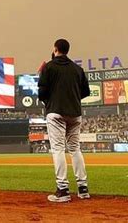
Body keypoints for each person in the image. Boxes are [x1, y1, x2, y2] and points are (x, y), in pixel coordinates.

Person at [38, 39, 91, 202]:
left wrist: (51, 100)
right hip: (75, 113)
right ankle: (83, 188)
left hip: (56, 112)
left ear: (55, 49)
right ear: (67, 50)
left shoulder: (48, 67)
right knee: (75, 149)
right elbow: (86, 92)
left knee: (58, 149)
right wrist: (71, 98)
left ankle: (63, 189)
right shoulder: (77, 69)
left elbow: (41, 93)